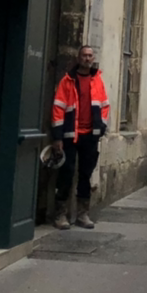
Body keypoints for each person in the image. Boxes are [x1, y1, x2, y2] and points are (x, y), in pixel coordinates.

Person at [50, 44, 109, 230]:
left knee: (85, 175)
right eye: (84, 55)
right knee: (66, 174)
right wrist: (57, 137)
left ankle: (83, 214)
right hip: (69, 136)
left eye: (90, 55)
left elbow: (104, 106)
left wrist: (101, 127)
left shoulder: (97, 80)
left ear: (93, 58)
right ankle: (60, 214)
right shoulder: (68, 80)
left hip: (90, 136)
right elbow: (58, 109)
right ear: (78, 58)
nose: (87, 58)